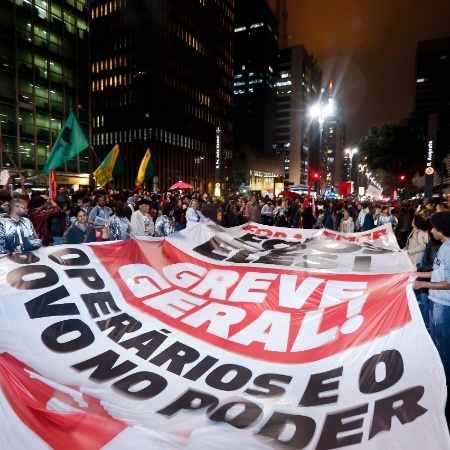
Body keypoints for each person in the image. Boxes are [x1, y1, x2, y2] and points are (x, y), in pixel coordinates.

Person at [413, 212, 450, 382]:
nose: (432, 231)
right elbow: (437, 273)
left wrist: (423, 285)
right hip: (436, 302)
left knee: (443, 345)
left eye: (434, 227)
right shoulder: (443, 246)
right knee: (436, 341)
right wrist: (417, 274)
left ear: (442, 229)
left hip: (443, 305)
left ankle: (444, 380)